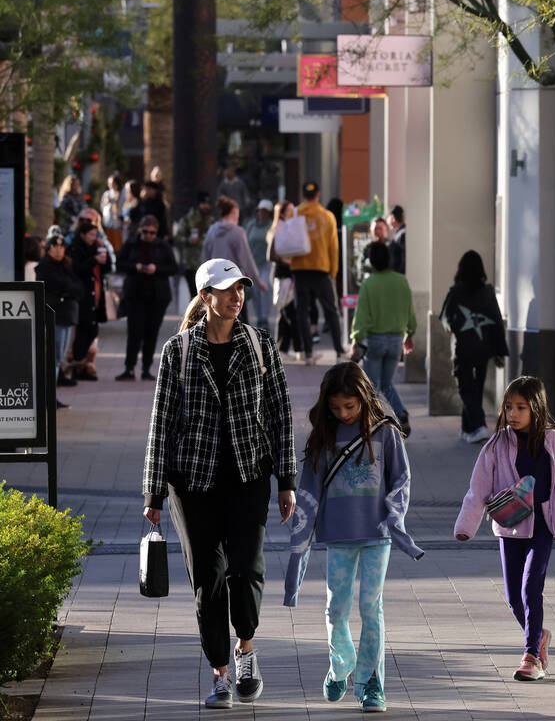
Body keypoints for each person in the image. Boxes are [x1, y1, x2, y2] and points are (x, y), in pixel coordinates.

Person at [141, 258, 297, 710]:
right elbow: (161, 422)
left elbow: (280, 417)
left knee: (246, 569)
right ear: (206, 296)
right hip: (192, 484)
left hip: (249, 478)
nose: (237, 296)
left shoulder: (261, 345)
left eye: (241, 288)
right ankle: (220, 673)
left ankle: (246, 650)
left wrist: (286, 480)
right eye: (227, 289)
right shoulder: (179, 351)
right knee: (207, 581)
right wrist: (153, 492)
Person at [284, 362, 423, 713]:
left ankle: (371, 682)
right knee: (336, 608)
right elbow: (310, 490)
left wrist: (395, 518)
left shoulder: (386, 432)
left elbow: (400, 479)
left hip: (377, 534)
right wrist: (300, 539)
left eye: (350, 406)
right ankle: (340, 665)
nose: (343, 413)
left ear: (364, 398)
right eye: (335, 408)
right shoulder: (324, 437)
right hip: (338, 535)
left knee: (369, 607)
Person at [454, 376, 555, 682]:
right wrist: (466, 526)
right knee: (514, 597)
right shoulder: (497, 444)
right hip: (509, 526)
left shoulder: (554, 442)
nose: (513, 413)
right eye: (509, 406)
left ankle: (532, 656)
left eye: (521, 407)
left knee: (530, 588)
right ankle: (538, 634)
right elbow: (478, 489)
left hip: (543, 527)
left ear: (536, 408)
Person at [439, 250, 509, 443]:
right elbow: (495, 320)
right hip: (483, 349)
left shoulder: (456, 292)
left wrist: (457, 328)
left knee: (465, 387)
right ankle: (467, 428)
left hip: (462, 348)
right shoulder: (487, 292)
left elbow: (445, 318)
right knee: (475, 387)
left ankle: (478, 426)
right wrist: (498, 352)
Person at [350, 242, 416, 433]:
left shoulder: (369, 283)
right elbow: (410, 311)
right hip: (396, 341)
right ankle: (400, 413)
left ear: (371, 262)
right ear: (389, 259)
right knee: (387, 383)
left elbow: (361, 316)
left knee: (370, 385)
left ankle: (372, 424)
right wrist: (409, 334)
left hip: (375, 340)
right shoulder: (401, 281)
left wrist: (356, 340)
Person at [115, 216, 178, 381]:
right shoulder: (131, 243)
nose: (149, 235)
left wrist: (155, 268)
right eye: (145, 232)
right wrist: (135, 267)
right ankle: (129, 368)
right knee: (134, 332)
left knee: (152, 332)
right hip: (135, 295)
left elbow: (173, 267)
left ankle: (146, 368)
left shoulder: (162, 246)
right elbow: (119, 263)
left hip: (157, 296)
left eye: (152, 233)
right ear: (140, 230)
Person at [290, 182, 343, 364]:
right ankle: (338, 352)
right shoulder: (327, 216)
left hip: (299, 268)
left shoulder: (294, 213)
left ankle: (309, 353)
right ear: (319, 194)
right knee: (331, 311)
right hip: (321, 269)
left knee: (302, 312)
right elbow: (333, 247)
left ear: (303, 194)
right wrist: (334, 270)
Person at [36, 233, 84, 401]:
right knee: (53, 358)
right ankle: (49, 397)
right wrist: (65, 291)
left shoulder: (66, 265)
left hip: (66, 317)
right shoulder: (45, 266)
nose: (58, 251)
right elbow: (54, 286)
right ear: (48, 249)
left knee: (59, 358)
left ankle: (52, 396)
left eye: (61, 247)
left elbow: (78, 288)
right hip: (54, 317)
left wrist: (66, 291)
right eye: (54, 247)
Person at [67, 219, 112, 381]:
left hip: (95, 296)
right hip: (83, 297)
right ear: (82, 234)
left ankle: (83, 365)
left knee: (92, 331)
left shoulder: (95, 248)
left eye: (95, 234)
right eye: (91, 234)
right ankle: (77, 367)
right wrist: (94, 260)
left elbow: (107, 267)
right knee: (82, 333)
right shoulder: (75, 249)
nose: (94, 237)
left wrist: (102, 249)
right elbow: (77, 269)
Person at [203, 197, 264, 313]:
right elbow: (246, 258)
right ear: (234, 212)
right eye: (238, 214)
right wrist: (257, 279)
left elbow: (205, 255)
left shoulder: (212, 230)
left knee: (218, 312)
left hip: (215, 279)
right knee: (238, 313)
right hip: (234, 280)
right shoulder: (238, 232)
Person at [266, 201, 304, 357]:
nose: (293, 213)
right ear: (282, 213)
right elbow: (271, 255)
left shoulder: (287, 228)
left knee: (286, 313)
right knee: (290, 313)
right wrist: (287, 261)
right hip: (283, 276)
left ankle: (282, 348)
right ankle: (298, 349)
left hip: (287, 275)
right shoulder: (278, 229)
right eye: (289, 210)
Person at [175, 193, 215, 299]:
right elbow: (177, 237)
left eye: (208, 203)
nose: (206, 206)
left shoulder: (211, 220)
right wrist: (188, 240)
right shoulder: (188, 218)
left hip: (207, 265)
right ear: (198, 205)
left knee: (207, 297)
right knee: (195, 296)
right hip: (192, 264)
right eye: (203, 203)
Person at [244, 199, 274, 330]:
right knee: (255, 291)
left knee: (265, 290)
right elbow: (244, 244)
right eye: (260, 211)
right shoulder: (251, 225)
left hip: (267, 264)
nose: (262, 213)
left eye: (265, 211)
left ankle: (264, 317)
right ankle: (258, 318)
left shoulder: (272, 226)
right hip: (252, 264)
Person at [100, 173, 125, 250]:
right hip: (107, 223)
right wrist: (106, 203)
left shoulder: (122, 194)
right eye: (109, 184)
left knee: (117, 246)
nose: (111, 185)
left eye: (113, 183)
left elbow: (123, 207)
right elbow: (102, 206)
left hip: (118, 225)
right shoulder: (106, 194)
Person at [387, 205, 406, 274]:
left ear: (393, 217)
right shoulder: (400, 233)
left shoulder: (402, 234)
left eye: (388, 217)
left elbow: (404, 258)